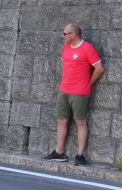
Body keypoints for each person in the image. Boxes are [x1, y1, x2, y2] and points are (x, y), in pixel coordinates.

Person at [43, 24, 104, 166]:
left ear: (73, 34)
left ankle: (80, 155)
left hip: (80, 91)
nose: (63, 36)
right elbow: (65, 65)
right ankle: (59, 152)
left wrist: (88, 83)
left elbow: (99, 68)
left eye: (65, 34)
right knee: (61, 120)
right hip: (64, 89)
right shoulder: (65, 47)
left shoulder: (87, 48)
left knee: (80, 122)